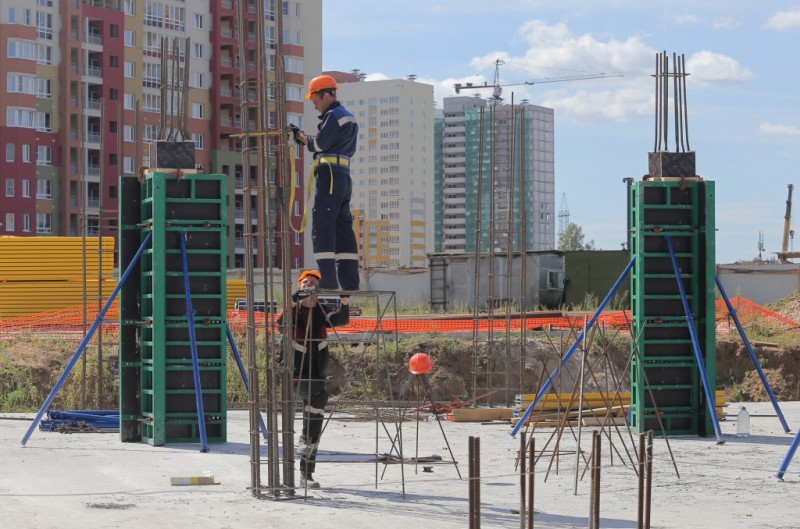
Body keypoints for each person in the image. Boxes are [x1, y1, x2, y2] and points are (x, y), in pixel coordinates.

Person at [278, 269, 350, 489]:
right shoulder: (294, 309)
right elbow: (282, 323)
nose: (309, 286)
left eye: (313, 284)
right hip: (295, 373)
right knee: (317, 399)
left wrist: (344, 302)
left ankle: (305, 471)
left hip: (315, 373)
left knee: (315, 416)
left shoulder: (320, 310)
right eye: (305, 283)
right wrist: (294, 300)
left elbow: (339, 320)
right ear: (299, 286)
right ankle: (304, 445)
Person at [289, 74, 360, 293]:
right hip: (343, 175)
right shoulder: (347, 116)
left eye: (317, 101)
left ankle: (328, 281)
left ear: (327, 94)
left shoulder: (333, 115)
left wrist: (302, 137)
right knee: (343, 227)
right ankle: (350, 283)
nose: (316, 106)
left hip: (329, 175)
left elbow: (319, 144)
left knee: (322, 225)